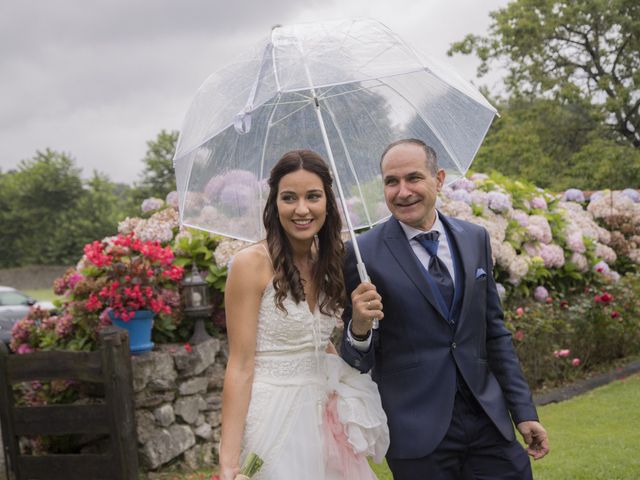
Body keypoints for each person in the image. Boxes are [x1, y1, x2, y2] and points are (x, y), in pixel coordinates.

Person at [341, 139, 549, 479]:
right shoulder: (362, 255)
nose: (402, 191)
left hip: (488, 422)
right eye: (391, 182)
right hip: (417, 432)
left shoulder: (474, 238)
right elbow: (356, 360)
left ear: (438, 179)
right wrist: (360, 327)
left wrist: (524, 412)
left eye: (413, 178)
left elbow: (494, 333)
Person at [218, 150, 389, 480]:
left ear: (327, 201)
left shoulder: (330, 261)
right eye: (288, 198)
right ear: (274, 203)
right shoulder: (250, 264)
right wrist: (228, 462)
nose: (301, 209)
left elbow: (317, 342)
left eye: (313, 196)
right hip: (274, 415)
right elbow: (240, 365)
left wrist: (360, 322)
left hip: (325, 415)